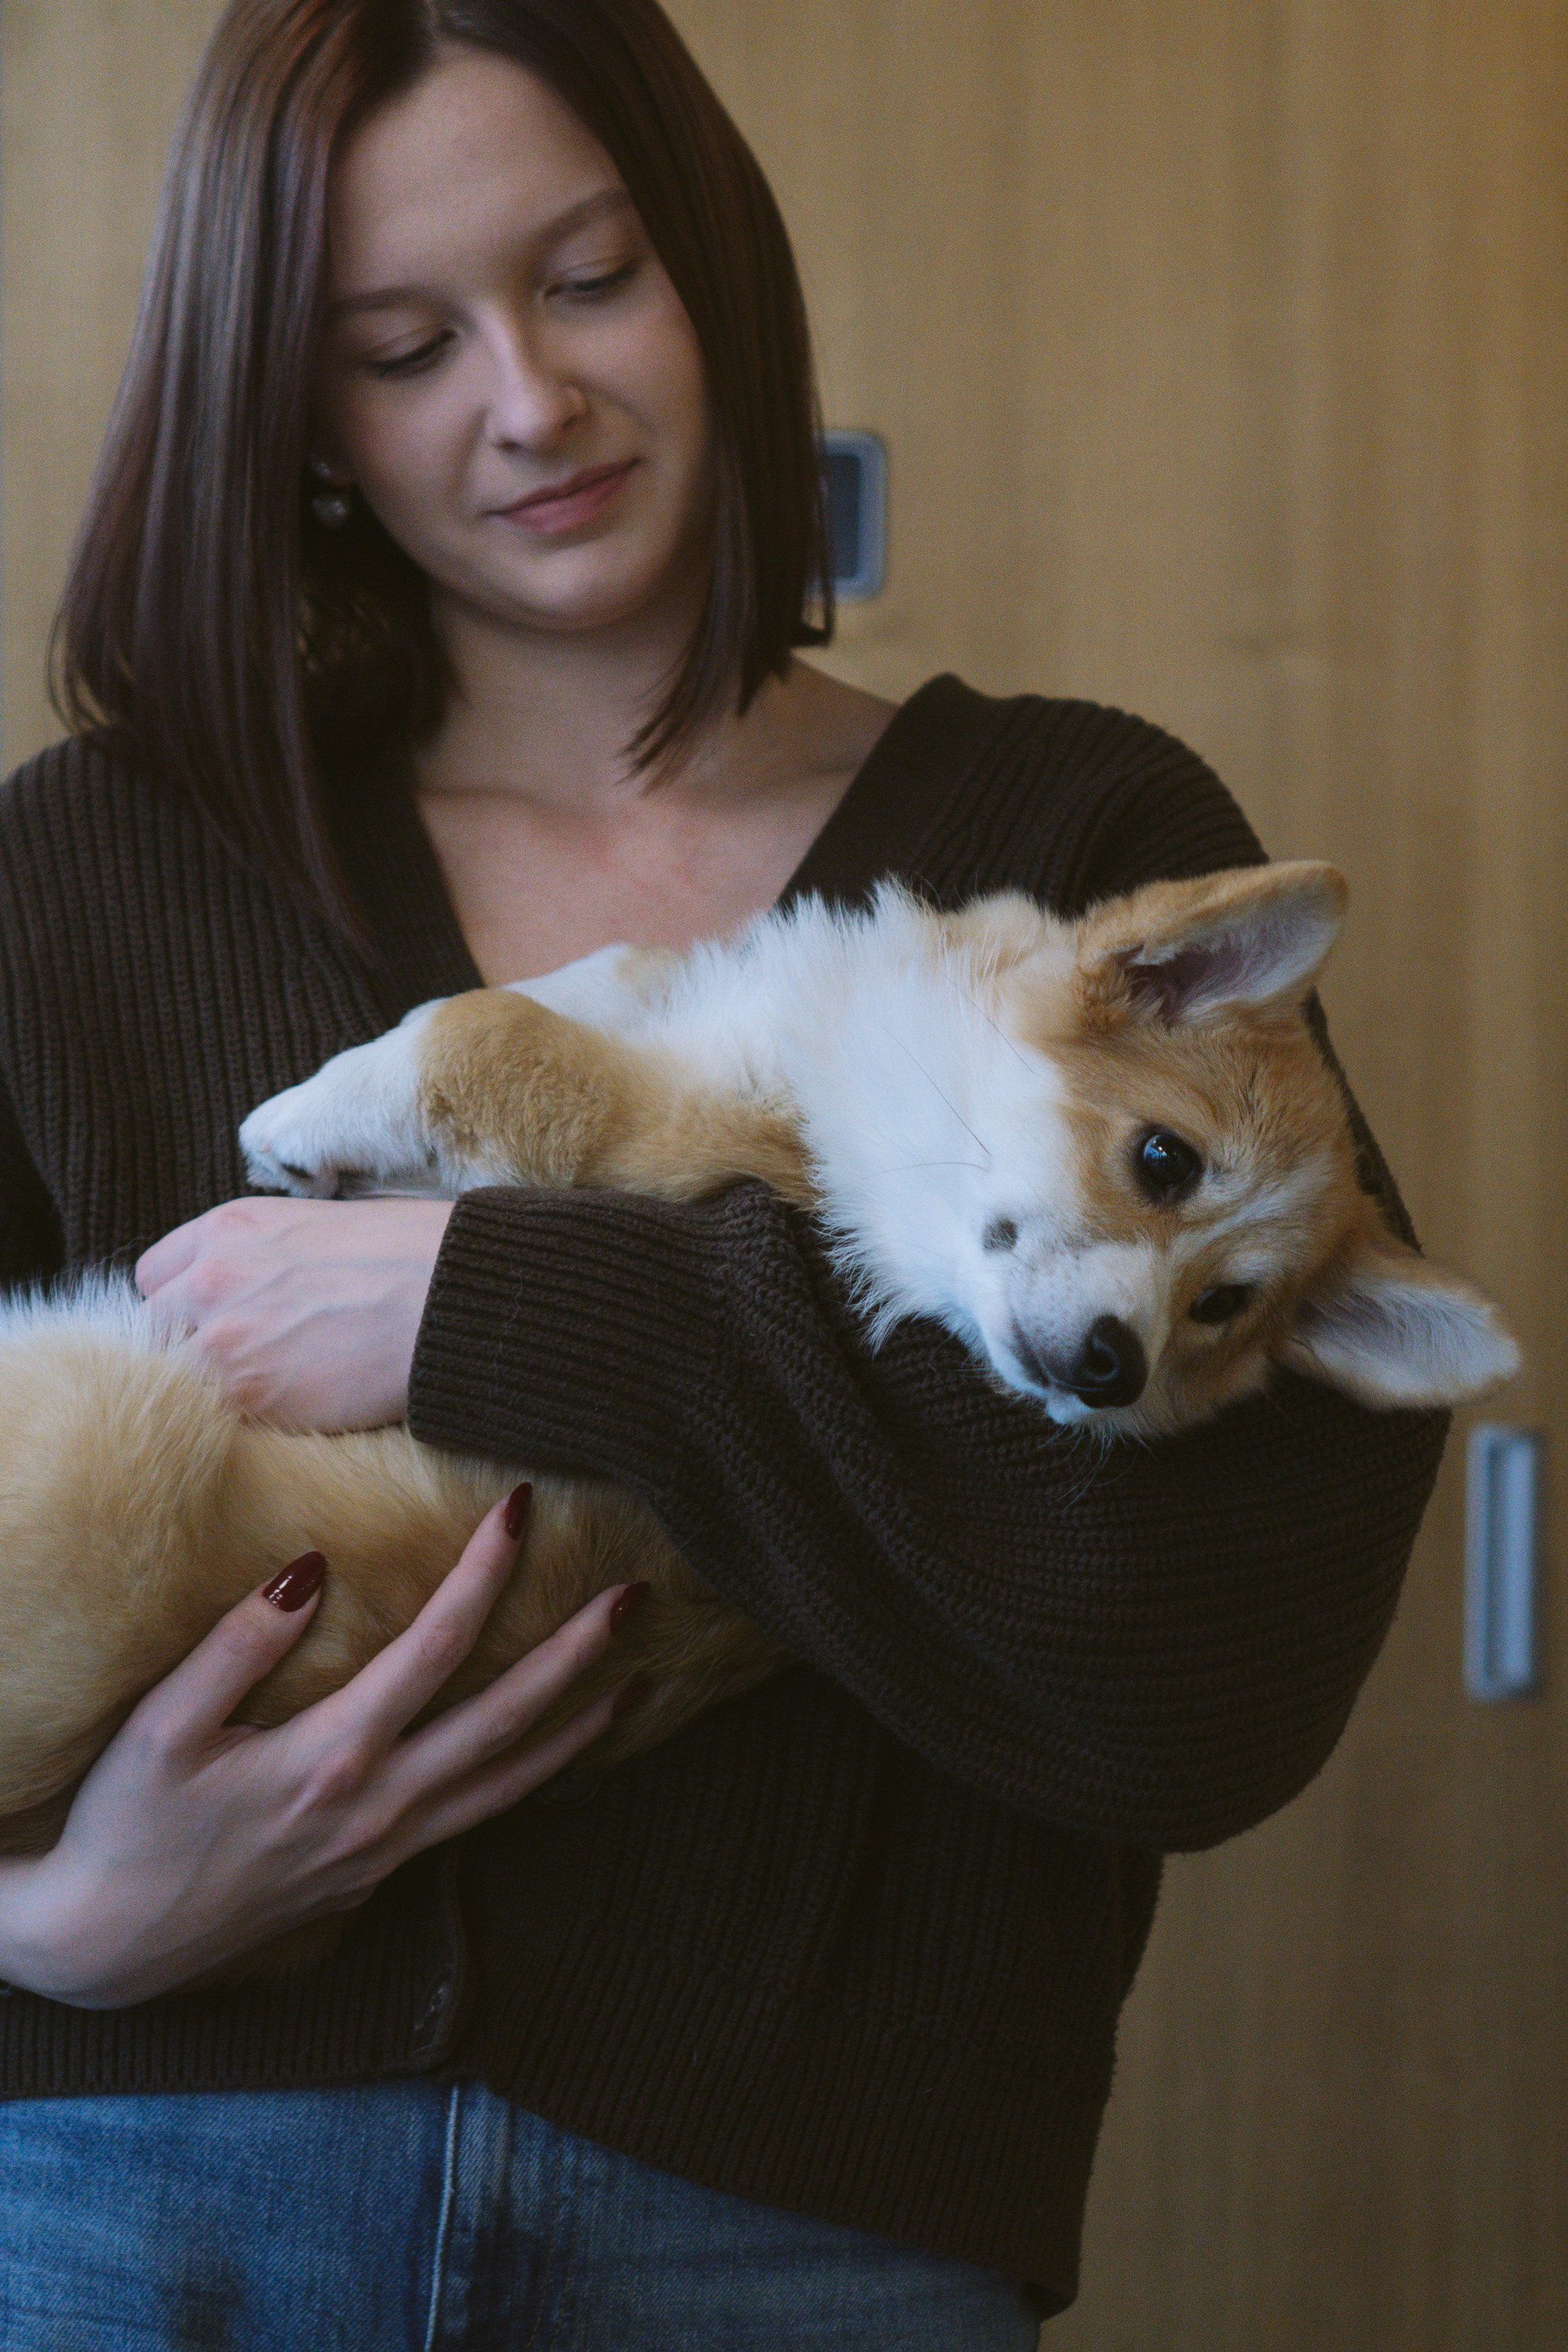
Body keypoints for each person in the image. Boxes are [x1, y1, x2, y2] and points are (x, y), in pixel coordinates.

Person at [0, 2, 1446, 2343]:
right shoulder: (81, 873)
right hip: (142, 2175)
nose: (529, 401)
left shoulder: (1083, 866)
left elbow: (1206, 1669)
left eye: (588, 277)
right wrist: (43, 1931)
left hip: (807, 2226)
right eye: (401, 342)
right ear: (303, 421)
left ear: (720, 277)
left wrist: (507, 1311)